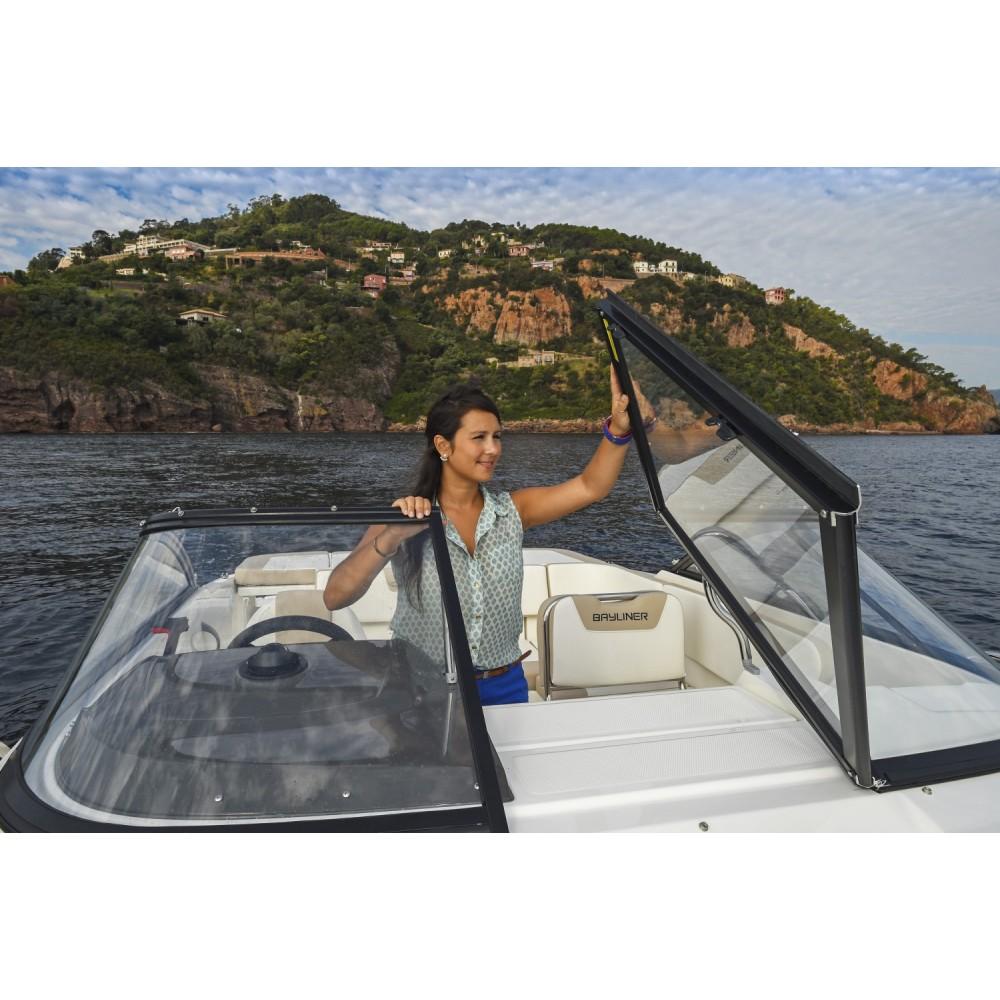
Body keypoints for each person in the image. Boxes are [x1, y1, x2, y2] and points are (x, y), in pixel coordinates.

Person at [323, 369, 637, 705]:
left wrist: (619, 431)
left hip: (504, 687)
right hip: (421, 688)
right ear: (443, 445)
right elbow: (335, 597)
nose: (493, 449)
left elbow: (590, 487)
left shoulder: (513, 511)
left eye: (497, 436)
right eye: (479, 437)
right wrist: (392, 537)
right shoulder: (403, 517)